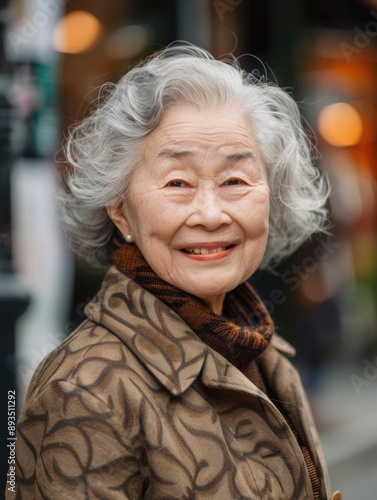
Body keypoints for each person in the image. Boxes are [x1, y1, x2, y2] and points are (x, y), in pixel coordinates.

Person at [9, 44, 342, 499]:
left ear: (273, 195)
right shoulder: (84, 392)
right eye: (177, 183)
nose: (210, 214)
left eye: (234, 181)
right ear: (121, 210)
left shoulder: (262, 354)